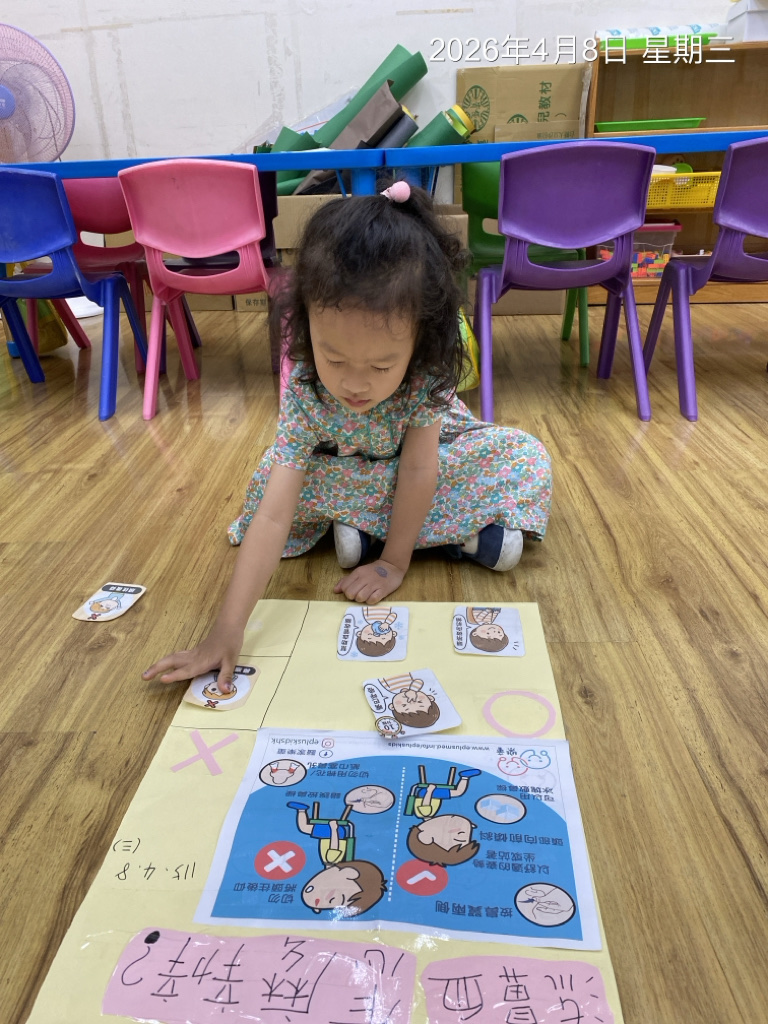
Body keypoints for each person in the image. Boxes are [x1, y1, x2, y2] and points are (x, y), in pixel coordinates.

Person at [143, 181, 551, 693]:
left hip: (415, 463)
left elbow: (419, 469)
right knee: (272, 481)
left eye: (381, 366)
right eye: (334, 358)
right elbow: (272, 515)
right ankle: (438, 534)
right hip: (345, 464)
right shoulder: (304, 382)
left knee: (524, 455)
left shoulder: (426, 373)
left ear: (420, 342)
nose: (355, 384)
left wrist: (392, 563)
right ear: (304, 325)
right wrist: (227, 630)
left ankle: (371, 533)